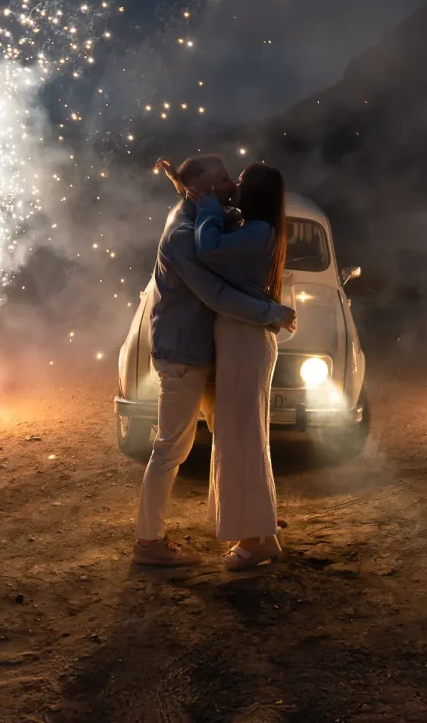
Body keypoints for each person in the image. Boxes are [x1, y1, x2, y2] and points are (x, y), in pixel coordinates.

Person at [133, 154, 296, 567]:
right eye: (223, 179)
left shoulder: (207, 219)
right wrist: (273, 313)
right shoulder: (183, 234)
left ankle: (257, 529)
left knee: (238, 440)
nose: (231, 185)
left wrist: (195, 194)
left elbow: (224, 233)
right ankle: (149, 543)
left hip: (205, 351)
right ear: (203, 189)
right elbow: (215, 294)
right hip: (185, 354)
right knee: (173, 447)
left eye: (233, 178)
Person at [188, 162, 289, 570]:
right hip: (241, 340)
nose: (235, 187)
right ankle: (261, 533)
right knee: (241, 437)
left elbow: (208, 248)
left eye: (241, 183)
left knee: (241, 439)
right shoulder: (255, 229)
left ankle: (256, 538)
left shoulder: (259, 232)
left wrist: (207, 204)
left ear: (255, 192)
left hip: (245, 341)